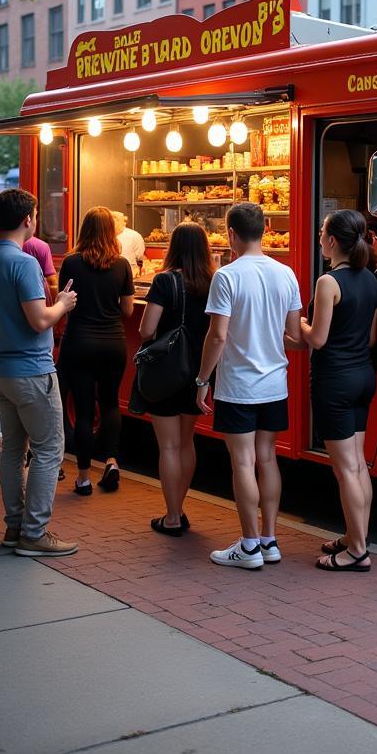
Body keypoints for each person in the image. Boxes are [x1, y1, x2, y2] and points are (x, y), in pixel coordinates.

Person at [0, 188, 79, 557]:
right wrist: (62, 304)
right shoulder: (25, 263)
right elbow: (39, 320)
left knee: (14, 448)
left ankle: (15, 527)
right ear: (29, 218)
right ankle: (35, 532)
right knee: (49, 448)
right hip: (31, 370)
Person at [196, 203, 302, 569]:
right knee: (268, 458)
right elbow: (293, 334)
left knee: (242, 461)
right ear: (265, 228)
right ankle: (270, 540)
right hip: (275, 382)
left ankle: (249, 545)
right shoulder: (286, 273)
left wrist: (202, 379)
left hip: (238, 385)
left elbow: (218, 336)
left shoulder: (227, 276)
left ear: (231, 234)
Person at [299, 210, 377, 572]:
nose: (319, 237)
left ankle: (357, 551)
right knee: (358, 465)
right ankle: (354, 535)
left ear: (332, 241)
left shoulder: (328, 282)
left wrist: (299, 322)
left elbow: (318, 338)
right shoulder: (372, 281)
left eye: (321, 232)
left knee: (345, 468)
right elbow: (372, 337)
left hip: (334, 380)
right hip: (363, 375)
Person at [130, 222, 212, 535]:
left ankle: (173, 516)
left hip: (166, 371)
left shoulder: (165, 281)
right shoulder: (213, 280)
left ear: (173, 246)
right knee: (187, 441)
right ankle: (180, 506)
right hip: (197, 373)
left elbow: (147, 330)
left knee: (168, 446)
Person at [57, 206, 134, 495]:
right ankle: (112, 461)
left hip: (79, 342)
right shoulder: (122, 264)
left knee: (85, 408)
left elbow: (63, 302)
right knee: (111, 403)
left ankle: (84, 477)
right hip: (113, 342)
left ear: (84, 230)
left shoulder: (72, 262)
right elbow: (127, 310)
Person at [112, 211, 146, 277]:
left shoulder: (134, 236)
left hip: (131, 273)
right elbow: (140, 257)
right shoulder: (103, 236)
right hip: (122, 273)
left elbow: (140, 258)